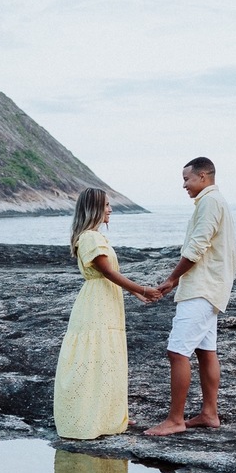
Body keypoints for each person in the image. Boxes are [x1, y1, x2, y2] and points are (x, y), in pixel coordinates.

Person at [54, 187, 160, 439]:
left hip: (105, 299)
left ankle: (110, 415)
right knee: (95, 357)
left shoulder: (94, 236)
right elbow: (107, 272)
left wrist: (135, 294)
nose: (110, 209)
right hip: (96, 303)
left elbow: (111, 275)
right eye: (106, 205)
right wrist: (142, 288)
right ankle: (90, 417)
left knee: (106, 358)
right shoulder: (90, 237)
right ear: (94, 209)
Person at [145, 158, 236, 437]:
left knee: (177, 352)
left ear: (204, 176)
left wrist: (172, 279)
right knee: (205, 351)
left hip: (201, 288)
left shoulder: (210, 202)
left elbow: (197, 247)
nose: (183, 184)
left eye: (187, 179)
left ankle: (175, 420)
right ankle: (209, 414)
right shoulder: (215, 201)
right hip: (211, 288)